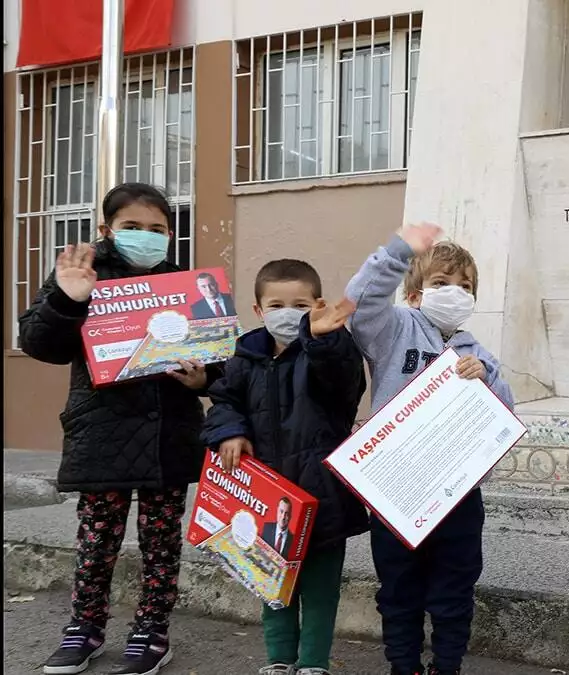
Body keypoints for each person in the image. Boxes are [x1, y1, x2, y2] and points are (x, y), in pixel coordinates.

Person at [19, 182, 221, 675]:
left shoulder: (186, 283)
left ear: (171, 234)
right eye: (133, 228)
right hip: (102, 431)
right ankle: (84, 630)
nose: (145, 237)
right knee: (97, 538)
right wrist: (68, 299)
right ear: (107, 229)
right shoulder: (82, 276)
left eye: (157, 229)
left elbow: (217, 361)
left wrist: (204, 379)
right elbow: (38, 343)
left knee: (161, 539)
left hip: (168, 434)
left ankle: (152, 631)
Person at [344, 223, 514, 675]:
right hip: (397, 490)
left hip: (457, 495)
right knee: (399, 588)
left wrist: (488, 380)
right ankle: (404, 665)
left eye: (465, 286)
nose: (454, 293)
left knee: (454, 588)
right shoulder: (394, 330)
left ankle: (447, 665)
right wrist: (398, 251)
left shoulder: (478, 352)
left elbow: (503, 420)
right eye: (441, 284)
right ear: (416, 293)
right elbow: (360, 303)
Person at [202, 258, 368, 675]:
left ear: (317, 305)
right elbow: (224, 399)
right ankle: (279, 660)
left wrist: (326, 340)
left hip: (322, 492)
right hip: (264, 496)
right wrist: (229, 432)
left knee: (320, 586)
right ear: (258, 311)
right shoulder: (244, 355)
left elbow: (345, 381)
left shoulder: (327, 349)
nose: (286, 313)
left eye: (298, 304)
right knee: (271, 582)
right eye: (275, 305)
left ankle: (313, 663)